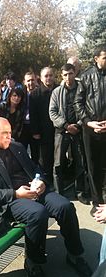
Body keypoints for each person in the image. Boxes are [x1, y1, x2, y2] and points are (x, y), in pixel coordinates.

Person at [0, 117, 92, 277]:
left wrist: (41, 181)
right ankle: (33, 261)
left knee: (66, 207)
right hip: (11, 200)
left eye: (10, 132)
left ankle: (75, 255)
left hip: (35, 190)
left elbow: (36, 168)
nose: (9, 136)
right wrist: (16, 193)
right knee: (38, 214)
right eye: (5, 133)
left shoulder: (16, 147)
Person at [49, 63, 90, 203]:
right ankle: (59, 194)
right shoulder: (56, 92)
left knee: (80, 162)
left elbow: (87, 109)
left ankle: (80, 193)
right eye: (65, 74)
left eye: (71, 73)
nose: (68, 77)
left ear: (75, 73)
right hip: (61, 132)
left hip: (78, 131)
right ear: (61, 75)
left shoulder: (81, 90)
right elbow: (52, 112)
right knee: (58, 164)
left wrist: (77, 125)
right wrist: (66, 125)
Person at [74, 45, 106, 217]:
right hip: (91, 130)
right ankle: (97, 201)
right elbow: (78, 103)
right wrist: (88, 122)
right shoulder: (86, 76)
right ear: (96, 59)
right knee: (92, 167)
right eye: (105, 57)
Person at [30, 67, 57, 187]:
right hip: (43, 131)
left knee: (57, 157)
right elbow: (33, 114)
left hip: (58, 130)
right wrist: (35, 131)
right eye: (46, 76)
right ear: (40, 78)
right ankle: (46, 182)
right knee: (45, 159)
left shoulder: (59, 90)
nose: (49, 78)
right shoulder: (35, 94)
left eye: (51, 75)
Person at [19, 71, 40, 164]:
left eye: (32, 80)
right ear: (24, 82)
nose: (30, 83)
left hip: (35, 127)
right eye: (28, 80)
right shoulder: (20, 94)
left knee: (36, 153)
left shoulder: (40, 93)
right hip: (23, 127)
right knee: (22, 152)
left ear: (36, 80)